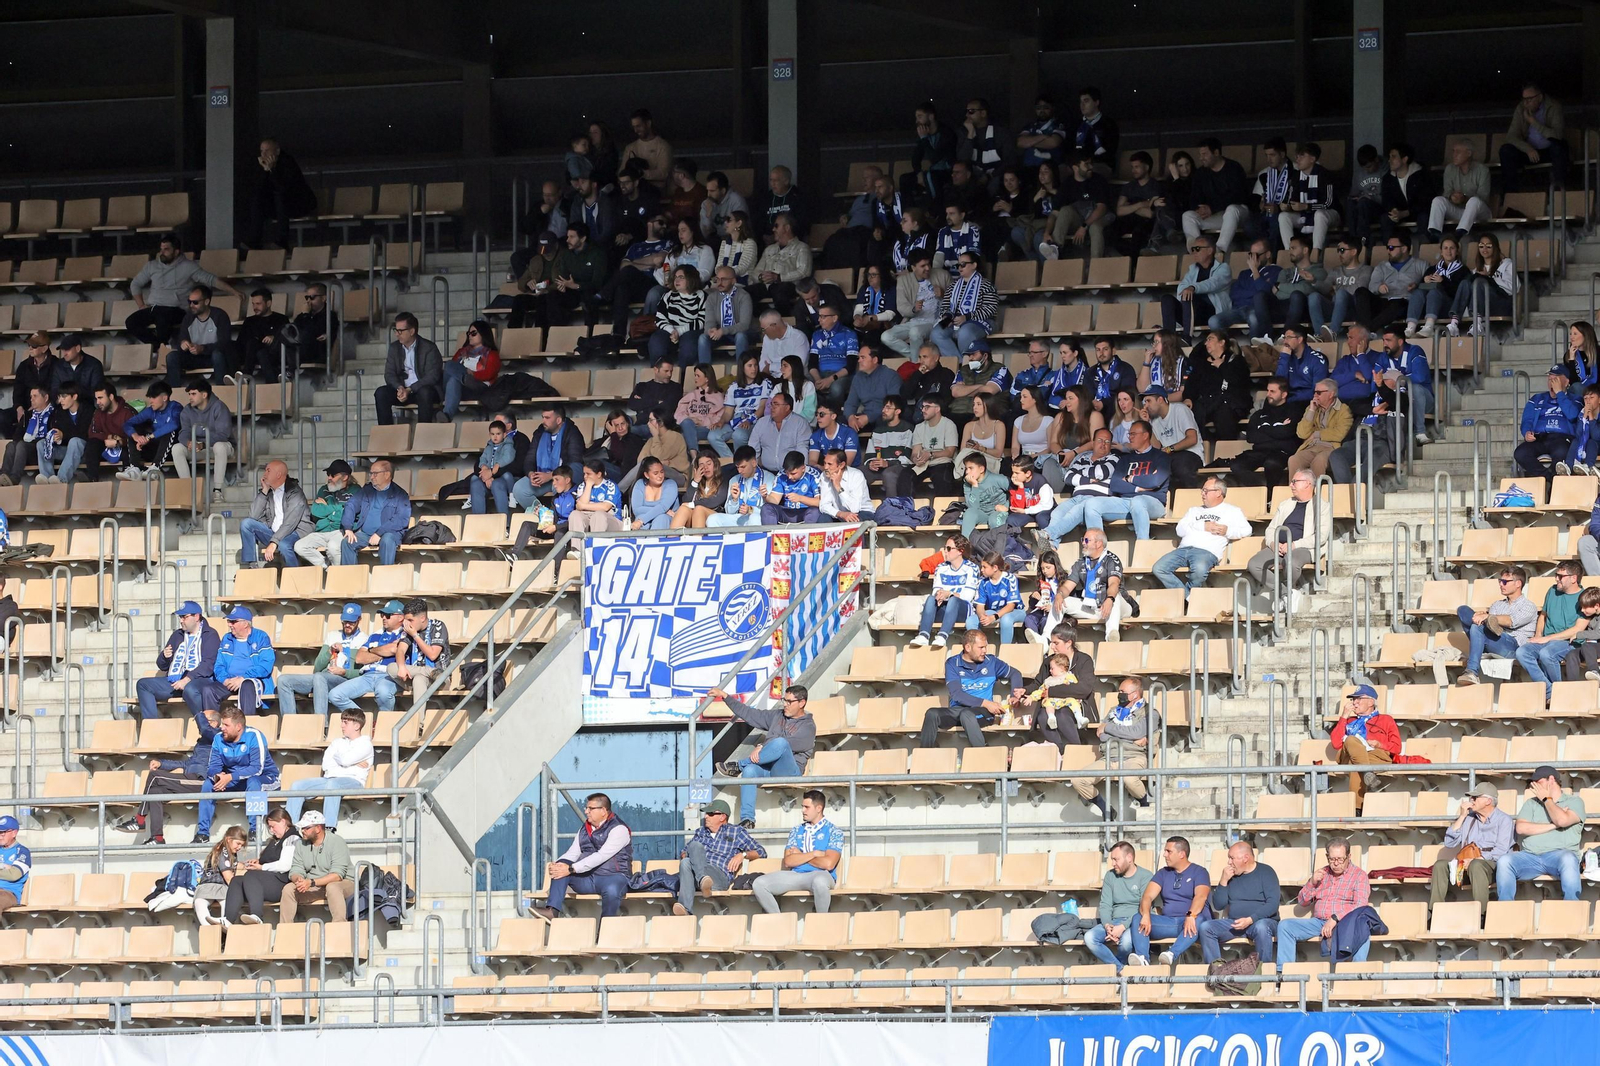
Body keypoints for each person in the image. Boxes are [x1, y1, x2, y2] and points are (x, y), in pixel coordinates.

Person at [708, 683, 817, 826]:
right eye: (784, 700)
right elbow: (749, 714)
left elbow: (786, 745)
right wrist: (725, 697)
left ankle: (739, 765)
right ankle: (748, 819)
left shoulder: (808, 727)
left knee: (781, 743)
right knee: (750, 770)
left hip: (790, 771)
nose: (785, 704)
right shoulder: (778, 715)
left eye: (789, 702)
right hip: (768, 769)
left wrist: (761, 746)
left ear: (802, 703)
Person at [116, 707, 219, 845]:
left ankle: (140, 819)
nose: (198, 724)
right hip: (189, 779)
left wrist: (198, 714)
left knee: (155, 777)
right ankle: (157, 837)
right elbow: (186, 764)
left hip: (202, 781)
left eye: (203, 721)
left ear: (213, 723)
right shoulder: (202, 743)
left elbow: (207, 731)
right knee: (155, 791)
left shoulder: (218, 737)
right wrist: (161, 763)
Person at [125, 232, 237, 352]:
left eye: (166, 249)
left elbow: (210, 279)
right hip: (155, 308)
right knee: (131, 322)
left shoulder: (189, 266)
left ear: (176, 251)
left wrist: (233, 291)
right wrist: (141, 305)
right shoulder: (152, 266)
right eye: (161, 249)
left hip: (177, 309)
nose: (162, 253)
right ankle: (159, 347)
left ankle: (162, 353)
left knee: (163, 319)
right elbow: (135, 284)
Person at [917, 629, 1024, 749]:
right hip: (960, 710)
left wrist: (1015, 694)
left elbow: (1015, 674)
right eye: (981, 647)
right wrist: (986, 703)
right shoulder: (953, 664)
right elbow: (957, 694)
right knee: (932, 713)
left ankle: (980, 755)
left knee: (966, 714)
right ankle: (924, 758)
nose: (985, 651)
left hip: (983, 712)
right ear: (968, 647)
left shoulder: (991, 662)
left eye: (985, 647)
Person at [1275, 840, 1371, 968]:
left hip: (1346, 923)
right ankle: (1284, 974)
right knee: (1285, 926)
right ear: (1327, 857)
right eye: (1332, 859)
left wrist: (1335, 918)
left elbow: (1360, 905)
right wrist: (1312, 882)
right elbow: (1302, 901)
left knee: (1363, 930)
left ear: (1349, 857)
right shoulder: (1322, 874)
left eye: (1340, 859)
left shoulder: (1359, 876)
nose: (1336, 863)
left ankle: (1358, 975)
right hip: (1319, 922)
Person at [1498, 765, 1586, 902]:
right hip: (1530, 856)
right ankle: (1505, 910)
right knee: (1505, 861)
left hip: (1559, 855)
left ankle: (1571, 910)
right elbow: (1521, 828)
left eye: (1538, 782)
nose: (1534, 787)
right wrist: (1552, 825)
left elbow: (1562, 820)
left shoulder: (1574, 801)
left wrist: (1547, 799)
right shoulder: (1531, 803)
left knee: (1569, 859)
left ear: (1551, 780)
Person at [1429, 783, 1514, 923]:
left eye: (1475, 797)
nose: (1471, 800)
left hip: (1492, 867)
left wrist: (1477, 859)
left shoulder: (1504, 820)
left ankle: (1482, 915)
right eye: (1471, 797)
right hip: (1466, 864)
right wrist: (1462, 817)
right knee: (1440, 865)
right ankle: (1435, 914)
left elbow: (1501, 851)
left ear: (1488, 801)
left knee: (1476, 865)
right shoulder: (1469, 819)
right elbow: (1449, 843)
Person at [194, 706, 281, 843]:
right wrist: (218, 777)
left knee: (253, 782)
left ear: (239, 726)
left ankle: (255, 830)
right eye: (222, 724)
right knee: (208, 784)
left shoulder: (254, 736)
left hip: (265, 778)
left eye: (226, 725)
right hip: (234, 779)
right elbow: (212, 766)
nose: (222, 728)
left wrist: (230, 777)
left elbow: (257, 768)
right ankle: (202, 834)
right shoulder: (218, 738)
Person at [1247, 469, 1328, 610]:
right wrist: (1273, 543)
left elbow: (1321, 536)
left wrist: (1294, 545)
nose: (1291, 485)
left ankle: (1285, 595)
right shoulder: (1286, 504)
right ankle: (1286, 594)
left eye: (1295, 482)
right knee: (1254, 564)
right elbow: (1271, 529)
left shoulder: (1321, 506)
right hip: (1278, 546)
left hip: (1303, 548)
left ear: (1308, 484)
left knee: (1290, 561)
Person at [1153, 477, 1250, 594]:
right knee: (1159, 568)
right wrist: (1203, 526)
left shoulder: (1232, 511)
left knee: (1199, 571)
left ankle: (1185, 599)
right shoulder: (1194, 510)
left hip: (1207, 552)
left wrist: (1227, 531)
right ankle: (1187, 598)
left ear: (1218, 492)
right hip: (1183, 549)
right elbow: (1180, 530)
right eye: (1202, 490)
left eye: (1206, 491)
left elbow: (1247, 530)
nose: (1202, 494)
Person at [1072, 676, 1152, 816]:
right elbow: (1101, 735)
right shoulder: (1113, 710)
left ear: (1134, 694)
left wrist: (1109, 728)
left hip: (1133, 756)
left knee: (1129, 778)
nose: (1119, 694)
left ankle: (1145, 805)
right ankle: (1106, 810)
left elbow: (1138, 731)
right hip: (1109, 757)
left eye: (1122, 691)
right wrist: (1129, 737)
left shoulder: (1148, 711)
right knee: (1078, 780)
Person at [751, 790, 841, 915]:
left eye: (807, 807)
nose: (803, 810)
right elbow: (788, 861)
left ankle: (821, 921)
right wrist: (813, 854)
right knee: (759, 884)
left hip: (822, 874)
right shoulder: (796, 830)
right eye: (802, 807)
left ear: (819, 808)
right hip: (796, 874)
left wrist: (800, 855)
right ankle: (779, 921)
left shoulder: (834, 831)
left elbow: (828, 864)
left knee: (820, 882)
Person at [1078, 421, 1170, 540]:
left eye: (1133, 434)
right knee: (1091, 504)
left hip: (1153, 502)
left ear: (1145, 435)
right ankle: (1098, 549)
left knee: (1138, 501)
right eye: (1129, 434)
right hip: (1126, 502)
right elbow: (1115, 484)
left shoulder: (1161, 457)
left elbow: (1155, 481)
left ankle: (1143, 547)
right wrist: (1138, 487)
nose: (1129, 438)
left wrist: (1129, 478)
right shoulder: (1125, 459)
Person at [671, 799, 764, 917]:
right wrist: (692, 857)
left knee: (690, 856)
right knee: (687, 859)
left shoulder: (736, 832)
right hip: (696, 875)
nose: (706, 817)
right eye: (706, 814)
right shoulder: (700, 832)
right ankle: (687, 906)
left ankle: (703, 882)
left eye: (710, 814)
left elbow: (761, 851)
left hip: (719, 875)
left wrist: (743, 855)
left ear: (722, 817)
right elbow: (683, 853)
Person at [286, 710, 374, 831]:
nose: (342, 725)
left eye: (345, 722)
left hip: (353, 781)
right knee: (297, 785)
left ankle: (329, 827)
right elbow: (326, 765)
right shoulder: (337, 742)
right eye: (342, 722)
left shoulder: (365, 744)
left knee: (333, 784)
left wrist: (341, 761)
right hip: (329, 779)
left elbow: (345, 760)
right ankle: (290, 829)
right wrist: (350, 762)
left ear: (357, 726)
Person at [135, 600, 222, 722]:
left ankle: (205, 724)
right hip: (175, 681)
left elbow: (208, 665)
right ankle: (152, 726)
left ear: (196, 617)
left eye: (184, 617)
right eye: (180, 617)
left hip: (200, 680)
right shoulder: (178, 635)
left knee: (190, 689)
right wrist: (164, 656)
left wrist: (187, 679)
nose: (181, 620)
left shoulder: (210, 635)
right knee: (143, 684)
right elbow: (162, 666)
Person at [1131, 836, 1212, 967]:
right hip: (1168, 922)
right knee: (1137, 918)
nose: (1164, 855)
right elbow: (1147, 897)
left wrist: (1191, 915)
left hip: (1190, 922)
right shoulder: (1163, 873)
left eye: (1169, 851)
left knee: (1200, 920)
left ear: (1182, 854)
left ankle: (1171, 954)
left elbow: (1201, 896)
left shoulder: (1199, 872)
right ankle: (1142, 958)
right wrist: (1145, 915)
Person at [279, 602, 366, 717]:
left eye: (351, 622)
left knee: (320, 677)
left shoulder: (364, 639)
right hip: (323, 676)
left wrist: (344, 670)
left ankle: (321, 725)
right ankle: (288, 724)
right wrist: (329, 651)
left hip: (345, 680)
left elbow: (363, 673)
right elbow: (317, 667)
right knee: (283, 680)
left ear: (359, 619)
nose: (347, 625)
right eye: (345, 621)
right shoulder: (332, 635)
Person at [1456, 566, 1538, 686]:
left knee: (1477, 627)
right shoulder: (1497, 605)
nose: (1501, 584)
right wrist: (1481, 617)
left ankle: (1472, 672)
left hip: (1513, 646)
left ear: (1518, 584)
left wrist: (1489, 617)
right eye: (1500, 581)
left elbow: (1511, 621)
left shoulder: (1528, 606)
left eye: (1505, 582)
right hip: (1492, 640)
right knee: (1463, 610)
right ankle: (1481, 642)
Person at [1199, 841, 1280, 963]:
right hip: (1235, 923)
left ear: (1245, 858)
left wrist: (1250, 919)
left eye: (1232, 858)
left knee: (1262, 928)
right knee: (1206, 927)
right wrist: (1223, 881)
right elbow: (1218, 905)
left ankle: (1263, 975)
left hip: (1260, 921)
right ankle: (1216, 972)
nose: (1229, 862)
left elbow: (1273, 904)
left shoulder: (1266, 872)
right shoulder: (1231, 876)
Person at [1515, 561, 1584, 701]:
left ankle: (1556, 694)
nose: (1556, 578)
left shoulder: (1584, 597)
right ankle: (1551, 691)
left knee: (1547, 654)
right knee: (1522, 652)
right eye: (1556, 574)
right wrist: (1539, 635)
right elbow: (1543, 616)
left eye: (1560, 576)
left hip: (1569, 642)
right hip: (1546, 639)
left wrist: (1547, 638)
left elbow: (1578, 629)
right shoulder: (1552, 591)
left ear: (1573, 578)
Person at [1328, 683, 1400, 814]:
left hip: (1376, 756)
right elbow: (1335, 743)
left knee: (1356, 764)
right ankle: (1367, 773)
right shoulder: (1348, 721)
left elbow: (1397, 747)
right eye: (1353, 699)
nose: (1355, 702)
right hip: (1349, 755)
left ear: (1371, 702)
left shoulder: (1386, 720)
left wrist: (1379, 744)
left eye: (1359, 699)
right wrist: (1344, 716)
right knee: (1351, 740)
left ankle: (1356, 810)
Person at [1084, 841, 1154, 972]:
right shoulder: (1110, 876)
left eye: (1116, 859)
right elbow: (1105, 904)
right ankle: (1121, 970)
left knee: (1126, 942)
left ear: (1129, 858)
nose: (1113, 863)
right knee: (1089, 937)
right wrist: (1107, 925)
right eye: (1112, 859)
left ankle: (1119, 972)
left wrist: (1122, 927)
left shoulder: (1146, 876)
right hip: (1114, 921)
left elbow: (1144, 908)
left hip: (1135, 921)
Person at [1055, 528, 1133, 641]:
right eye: (1083, 540)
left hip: (1118, 607)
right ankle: (1046, 639)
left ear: (1099, 543)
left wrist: (1109, 598)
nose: (1083, 543)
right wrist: (1060, 595)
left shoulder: (1111, 560)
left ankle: (1111, 636)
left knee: (1114, 598)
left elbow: (1114, 584)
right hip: (1093, 607)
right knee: (1060, 601)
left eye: (1087, 540)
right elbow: (1067, 586)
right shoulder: (1081, 563)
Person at [328, 600, 406, 712]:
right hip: (367, 676)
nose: (383, 618)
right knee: (335, 695)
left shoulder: (405, 633)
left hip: (388, 676)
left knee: (383, 692)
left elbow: (394, 649)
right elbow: (359, 658)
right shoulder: (375, 635)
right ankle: (365, 720)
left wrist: (371, 651)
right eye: (382, 615)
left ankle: (384, 725)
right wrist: (382, 653)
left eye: (388, 615)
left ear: (400, 617)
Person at [225, 807, 298, 925]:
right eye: (269, 827)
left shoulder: (292, 838)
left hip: (282, 883)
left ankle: (257, 916)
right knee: (236, 881)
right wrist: (259, 862)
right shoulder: (276, 840)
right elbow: (272, 859)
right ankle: (228, 920)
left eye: (273, 826)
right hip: (269, 880)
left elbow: (285, 865)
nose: (271, 830)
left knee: (251, 875)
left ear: (283, 822)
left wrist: (261, 867)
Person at [281, 810, 358, 923]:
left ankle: (340, 926)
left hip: (345, 883)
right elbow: (296, 868)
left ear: (318, 828)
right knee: (288, 889)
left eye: (306, 828)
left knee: (333, 887)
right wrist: (299, 880)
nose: (302, 831)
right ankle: (285, 930)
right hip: (314, 885)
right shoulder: (300, 844)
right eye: (302, 828)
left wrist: (311, 882)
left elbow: (337, 875)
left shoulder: (337, 842)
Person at [1229, 377, 1304, 487]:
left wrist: (1264, 428)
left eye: (1272, 391)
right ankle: (1260, 488)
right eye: (1268, 390)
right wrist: (1278, 430)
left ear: (1284, 395)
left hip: (1281, 452)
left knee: (1271, 464)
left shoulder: (1294, 412)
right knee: (1236, 465)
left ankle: (1270, 496)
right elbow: (1251, 437)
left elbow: (1288, 432)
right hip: (1259, 452)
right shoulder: (1258, 414)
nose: (1268, 394)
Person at [1039, 151, 1112, 262]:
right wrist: (1047, 232)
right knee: (1065, 210)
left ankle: (1096, 265)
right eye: (1086, 164)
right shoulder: (1067, 184)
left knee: (1095, 227)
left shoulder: (1098, 180)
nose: (1091, 167)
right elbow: (1054, 213)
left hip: (1101, 218)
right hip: (1079, 221)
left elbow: (1101, 208)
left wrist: (1084, 226)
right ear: (1075, 168)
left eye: (1091, 163)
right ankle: (1054, 248)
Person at [1181, 139, 1251, 253]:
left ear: (1216, 153)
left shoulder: (1233, 168)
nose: (1201, 158)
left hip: (1238, 214)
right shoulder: (1201, 173)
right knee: (1188, 215)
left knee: (1231, 209)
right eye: (1200, 154)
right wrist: (1200, 209)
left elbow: (1238, 196)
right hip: (1215, 216)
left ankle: (1220, 250)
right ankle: (1196, 249)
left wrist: (1212, 208)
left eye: (1204, 154)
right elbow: (1194, 197)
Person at [375, 312, 444, 426]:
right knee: (381, 393)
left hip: (422, 390)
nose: (397, 334)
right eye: (395, 330)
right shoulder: (394, 348)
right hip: (402, 391)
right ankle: (387, 433)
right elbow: (389, 374)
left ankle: (423, 434)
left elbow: (433, 376)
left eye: (400, 331)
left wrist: (410, 389)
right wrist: (400, 387)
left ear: (412, 331)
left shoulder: (429, 348)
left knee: (425, 392)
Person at [239, 460, 311, 568]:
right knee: (246, 524)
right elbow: (253, 516)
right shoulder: (269, 493)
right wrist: (264, 491)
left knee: (284, 545)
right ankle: (252, 565)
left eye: (268, 471)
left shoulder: (294, 492)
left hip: (296, 532)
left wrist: (274, 542)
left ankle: (295, 575)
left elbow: (290, 523)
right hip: (274, 533)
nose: (264, 474)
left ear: (278, 475)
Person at [246, 138, 316, 248]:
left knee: (280, 197)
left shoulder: (287, 162)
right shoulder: (261, 165)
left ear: (277, 151)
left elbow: (283, 188)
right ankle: (254, 241)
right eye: (262, 151)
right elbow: (258, 189)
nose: (264, 154)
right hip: (278, 208)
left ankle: (281, 241)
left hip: (297, 204)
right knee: (257, 200)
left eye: (267, 150)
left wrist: (272, 171)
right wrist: (265, 171)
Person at [1208, 238, 1280, 344]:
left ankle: (1254, 350)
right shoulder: (1244, 273)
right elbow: (1234, 294)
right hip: (1239, 309)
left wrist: (1255, 270)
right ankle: (1226, 349)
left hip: (1257, 310)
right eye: (1251, 255)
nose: (1253, 259)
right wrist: (1254, 291)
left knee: (1254, 318)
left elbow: (1264, 292)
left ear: (1268, 254)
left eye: (1256, 255)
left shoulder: (1276, 271)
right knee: (1213, 321)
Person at [341, 459, 412, 566]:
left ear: (387, 475)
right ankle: (351, 579)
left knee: (387, 540)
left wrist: (379, 533)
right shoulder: (366, 490)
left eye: (375, 473)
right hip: (366, 534)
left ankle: (386, 577)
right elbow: (351, 505)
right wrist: (348, 527)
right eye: (371, 473)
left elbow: (401, 520)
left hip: (389, 534)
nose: (371, 476)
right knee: (347, 542)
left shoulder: (400, 495)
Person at [1161, 234, 1232, 340]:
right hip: (1191, 312)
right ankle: (1168, 339)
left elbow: (1213, 283)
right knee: (1167, 299)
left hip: (1212, 313)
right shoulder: (1193, 270)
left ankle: (1186, 337)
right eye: (1192, 249)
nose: (1194, 252)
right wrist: (1189, 289)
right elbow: (1181, 288)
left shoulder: (1223, 268)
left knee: (1189, 295)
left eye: (1197, 249)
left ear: (1210, 250)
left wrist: (1193, 288)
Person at [1501, 82, 1568, 190]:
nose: (1526, 103)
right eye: (1524, 99)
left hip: (1549, 150)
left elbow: (1557, 135)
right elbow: (1511, 136)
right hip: (1530, 151)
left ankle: (1558, 191)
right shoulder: (1521, 108)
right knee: (1506, 151)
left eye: (1530, 99)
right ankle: (1511, 193)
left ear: (1540, 97)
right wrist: (1528, 149)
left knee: (1559, 147)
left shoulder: (1554, 107)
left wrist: (1533, 122)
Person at [1448, 233, 1517, 337]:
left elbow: (1513, 288)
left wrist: (1489, 279)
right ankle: (1454, 324)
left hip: (1501, 303)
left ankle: (1477, 324)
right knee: (1465, 283)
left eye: (1488, 246)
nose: (1484, 248)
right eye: (1481, 246)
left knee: (1480, 282)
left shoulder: (1507, 264)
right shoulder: (1477, 270)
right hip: (1482, 305)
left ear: (1495, 247)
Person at [931, 254, 998, 361]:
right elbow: (945, 305)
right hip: (954, 321)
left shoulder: (986, 284)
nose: (959, 268)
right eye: (958, 265)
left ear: (974, 265)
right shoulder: (953, 285)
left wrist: (966, 317)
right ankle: (960, 363)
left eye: (963, 265)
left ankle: (964, 365)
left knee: (965, 332)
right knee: (936, 333)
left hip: (979, 321)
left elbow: (990, 308)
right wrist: (947, 316)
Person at [171, 378, 234, 490]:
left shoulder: (219, 407)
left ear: (204, 395)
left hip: (221, 447)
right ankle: (188, 489)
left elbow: (223, 435)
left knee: (219, 446)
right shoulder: (187, 410)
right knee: (177, 448)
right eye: (189, 394)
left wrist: (203, 444)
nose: (190, 397)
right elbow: (184, 432)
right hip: (198, 448)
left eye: (194, 394)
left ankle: (217, 490)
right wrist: (188, 442)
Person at [165, 284, 235, 385]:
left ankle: (222, 389)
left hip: (212, 356)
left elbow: (224, 343)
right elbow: (182, 339)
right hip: (193, 357)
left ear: (207, 301)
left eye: (195, 302)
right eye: (189, 302)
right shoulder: (188, 318)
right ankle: (174, 394)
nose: (191, 305)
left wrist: (202, 348)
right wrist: (183, 343)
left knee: (218, 355)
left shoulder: (220, 315)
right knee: (172, 357)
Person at [1517, 367, 1579, 478]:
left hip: (1562, 438)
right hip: (1539, 438)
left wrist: (1560, 393)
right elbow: (1527, 420)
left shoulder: (1575, 399)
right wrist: (1526, 432)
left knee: (1561, 452)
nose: (1552, 383)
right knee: (1520, 453)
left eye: (1556, 380)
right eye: (1550, 379)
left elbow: (1573, 415)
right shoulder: (1537, 398)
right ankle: (1549, 478)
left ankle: (1551, 482)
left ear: (1566, 382)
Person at [391, 599, 450, 711]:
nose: (407, 624)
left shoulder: (438, 626)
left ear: (422, 618)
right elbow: (400, 651)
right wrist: (402, 667)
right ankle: (428, 672)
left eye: (410, 620)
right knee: (392, 667)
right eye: (405, 620)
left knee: (419, 679)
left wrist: (415, 636)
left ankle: (419, 724)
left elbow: (433, 654)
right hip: (414, 676)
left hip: (440, 678)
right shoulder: (408, 629)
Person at [215, 605, 275, 715]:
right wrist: (224, 680)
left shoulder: (261, 637)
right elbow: (219, 665)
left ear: (245, 623)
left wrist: (243, 677)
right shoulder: (226, 639)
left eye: (233, 622)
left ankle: (246, 727)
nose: (229, 625)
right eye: (229, 621)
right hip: (229, 681)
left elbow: (265, 666)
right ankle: (212, 728)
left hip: (254, 679)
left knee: (247, 685)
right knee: (208, 690)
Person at [294, 461, 356, 567]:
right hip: (321, 531)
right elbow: (315, 511)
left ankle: (339, 576)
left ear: (345, 477)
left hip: (340, 531)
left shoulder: (356, 491)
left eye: (333, 475)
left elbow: (351, 513)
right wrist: (339, 509)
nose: (329, 478)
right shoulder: (324, 490)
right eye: (328, 475)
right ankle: (328, 567)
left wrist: (327, 508)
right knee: (299, 546)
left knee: (333, 547)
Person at [1427, 140, 1491, 243]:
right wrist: (1452, 197)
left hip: (1479, 212)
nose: (1454, 155)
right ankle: (1435, 234)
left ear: (1469, 153)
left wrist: (1464, 198)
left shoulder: (1482, 170)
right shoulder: (1449, 169)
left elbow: (1483, 197)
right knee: (1438, 200)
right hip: (1458, 210)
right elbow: (1447, 192)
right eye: (1453, 151)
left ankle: (1459, 235)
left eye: (1458, 152)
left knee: (1474, 201)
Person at [114, 380, 181, 481]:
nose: (150, 401)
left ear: (164, 398)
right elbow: (127, 424)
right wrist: (137, 437)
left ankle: (155, 468)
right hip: (154, 450)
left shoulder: (175, 407)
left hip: (171, 452)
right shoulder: (150, 410)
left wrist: (149, 437)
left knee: (169, 432)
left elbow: (174, 424)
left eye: (153, 397)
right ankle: (134, 469)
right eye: (150, 397)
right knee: (135, 429)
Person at [1279, 143, 1339, 250]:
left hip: (1330, 213)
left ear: (1312, 159)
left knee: (1319, 215)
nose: (1298, 159)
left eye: (1302, 156)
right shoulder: (1296, 176)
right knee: (1283, 216)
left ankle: (1317, 251)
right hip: (1303, 215)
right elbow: (1290, 199)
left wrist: (1307, 207)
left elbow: (1329, 203)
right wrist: (1287, 206)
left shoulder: (1325, 174)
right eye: (1297, 156)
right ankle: (1290, 251)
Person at [1141, 387, 1205, 488]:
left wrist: (1168, 449)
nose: (1146, 406)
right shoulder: (1154, 421)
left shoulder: (1180, 409)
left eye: (1148, 401)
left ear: (1160, 400)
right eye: (1145, 402)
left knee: (1179, 466)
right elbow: (1156, 446)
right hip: (1170, 457)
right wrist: (1147, 423)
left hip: (1190, 454)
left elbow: (1192, 439)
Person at [1287, 379, 1351, 479]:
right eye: (1314, 392)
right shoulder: (1311, 408)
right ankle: (1295, 492)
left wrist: (1316, 434)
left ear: (1331, 394)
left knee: (1319, 461)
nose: (1315, 395)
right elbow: (1302, 434)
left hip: (1331, 447)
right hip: (1311, 446)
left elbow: (1340, 433)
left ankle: (1316, 493)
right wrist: (1312, 411)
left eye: (1319, 392)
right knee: (1294, 460)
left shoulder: (1343, 409)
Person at [749, 214, 812, 314]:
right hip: (766, 286)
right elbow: (756, 272)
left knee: (780, 292)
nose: (773, 229)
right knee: (744, 293)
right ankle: (762, 319)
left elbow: (804, 272)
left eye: (776, 226)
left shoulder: (801, 247)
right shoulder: (769, 249)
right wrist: (762, 277)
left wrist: (779, 277)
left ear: (787, 228)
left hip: (788, 286)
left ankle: (784, 322)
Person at [1365, 237, 1427, 330]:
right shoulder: (1381, 266)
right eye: (1387, 247)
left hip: (1406, 303)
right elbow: (1371, 287)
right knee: (1360, 292)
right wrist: (1379, 287)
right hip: (1385, 302)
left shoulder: (1421, 265)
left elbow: (1429, 283)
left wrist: (1417, 285)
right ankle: (1365, 326)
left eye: (1391, 248)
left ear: (1403, 249)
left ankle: (1368, 330)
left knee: (1398, 303)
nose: (1388, 251)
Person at [442, 321, 501, 419]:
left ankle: (447, 414)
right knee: (450, 369)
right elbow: (450, 371)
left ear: (483, 334)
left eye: (473, 333)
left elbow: (489, 374)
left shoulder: (492, 354)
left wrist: (473, 374)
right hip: (460, 389)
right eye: (468, 333)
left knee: (453, 375)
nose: (470, 336)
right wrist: (466, 374)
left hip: (478, 388)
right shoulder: (461, 352)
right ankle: (447, 416)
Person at [1275, 235, 1329, 339]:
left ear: (1305, 250)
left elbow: (1307, 289)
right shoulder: (1284, 272)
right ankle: (1263, 337)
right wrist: (1280, 289)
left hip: (1304, 310)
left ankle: (1285, 335)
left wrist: (1281, 286)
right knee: (1261, 296)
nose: (1290, 251)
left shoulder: (1319, 271)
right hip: (1283, 307)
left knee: (1297, 296)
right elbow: (1277, 294)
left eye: (1294, 248)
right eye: (1290, 248)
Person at [747, 389, 811, 477]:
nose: (772, 407)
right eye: (771, 404)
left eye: (776, 404)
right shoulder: (762, 422)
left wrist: (800, 475)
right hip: (765, 473)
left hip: (790, 475)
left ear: (787, 407)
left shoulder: (800, 423)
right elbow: (752, 449)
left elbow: (802, 450)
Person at [1321, 237, 1374, 341]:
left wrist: (1338, 292)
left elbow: (1359, 290)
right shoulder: (1335, 270)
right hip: (1336, 308)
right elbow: (1325, 287)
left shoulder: (1366, 270)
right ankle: (1319, 335)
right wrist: (1313, 281)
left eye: (1342, 250)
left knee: (1341, 293)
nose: (1339, 254)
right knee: (1314, 297)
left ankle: (1333, 332)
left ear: (1354, 252)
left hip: (1354, 309)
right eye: (1338, 251)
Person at [37, 383, 91, 485]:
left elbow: (85, 434)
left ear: (74, 396)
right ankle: (47, 478)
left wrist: (64, 435)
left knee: (75, 441)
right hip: (66, 451)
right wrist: (55, 437)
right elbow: (55, 431)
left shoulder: (88, 410)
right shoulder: (59, 412)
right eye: (59, 397)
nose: (60, 400)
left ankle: (61, 479)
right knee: (41, 443)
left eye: (64, 396)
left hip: (83, 453)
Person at [841, 345, 901, 433]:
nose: (859, 360)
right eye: (859, 357)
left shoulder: (891, 376)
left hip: (883, 416)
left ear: (875, 360)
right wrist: (851, 417)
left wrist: (869, 417)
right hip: (863, 417)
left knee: (886, 419)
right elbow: (850, 403)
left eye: (863, 357)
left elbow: (893, 404)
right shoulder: (858, 378)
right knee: (837, 422)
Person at [709, 447, 771, 529]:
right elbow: (729, 512)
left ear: (753, 463)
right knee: (712, 519)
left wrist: (751, 509)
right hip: (739, 518)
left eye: (743, 467)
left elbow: (771, 510)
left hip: (757, 518)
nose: (739, 471)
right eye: (737, 467)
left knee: (754, 518)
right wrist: (734, 500)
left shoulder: (769, 478)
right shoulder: (734, 480)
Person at [467, 420, 518, 515]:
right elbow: (482, 459)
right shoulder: (489, 446)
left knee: (496, 485)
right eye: (492, 434)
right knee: (475, 483)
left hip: (503, 477)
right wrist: (484, 468)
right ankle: (478, 522)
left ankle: (505, 525)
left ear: (505, 434)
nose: (495, 437)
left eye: (498, 434)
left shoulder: (508, 445)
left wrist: (495, 468)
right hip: (488, 476)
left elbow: (508, 459)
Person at [287, 283, 340, 374]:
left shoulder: (330, 316)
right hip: (300, 349)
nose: (308, 301)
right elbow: (293, 329)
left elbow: (313, 332)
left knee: (305, 335)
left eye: (312, 297)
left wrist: (306, 315)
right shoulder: (304, 314)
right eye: (306, 298)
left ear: (323, 298)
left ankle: (290, 372)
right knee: (284, 331)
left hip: (317, 352)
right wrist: (305, 315)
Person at [1379, 142, 1425, 245]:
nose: (1389, 160)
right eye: (1389, 157)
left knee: (1424, 216)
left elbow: (1425, 202)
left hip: (1417, 212)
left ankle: (1425, 248)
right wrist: (1393, 210)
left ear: (1404, 159)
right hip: (1398, 214)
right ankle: (1389, 248)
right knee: (1385, 218)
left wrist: (1406, 212)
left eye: (1394, 157)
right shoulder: (1387, 178)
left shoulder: (1420, 175)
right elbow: (1386, 200)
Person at [240, 289, 291, 382]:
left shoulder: (281, 319)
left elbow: (287, 338)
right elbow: (241, 342)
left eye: (258, 304)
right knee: (256, 347)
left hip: (274, 355)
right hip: (252, 356)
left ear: (268, 303)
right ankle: (272, 383)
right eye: (253, 304)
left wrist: (274, 338)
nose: (255, 307)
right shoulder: (249, 321)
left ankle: (246, 376)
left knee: (260, 351)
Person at [761, 450, 822, 525]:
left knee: (815, 511)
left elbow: (819, 502)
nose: (789, 477)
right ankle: (771, 535)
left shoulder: (813, 475)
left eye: (793, 473)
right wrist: (766, 496)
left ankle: (805, 536)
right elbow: (775, 500)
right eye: (787, 473)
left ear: (803, 468)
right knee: (766, 508)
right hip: (787, 511)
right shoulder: (781, 475)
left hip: (806, 511)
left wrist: (800, 498)